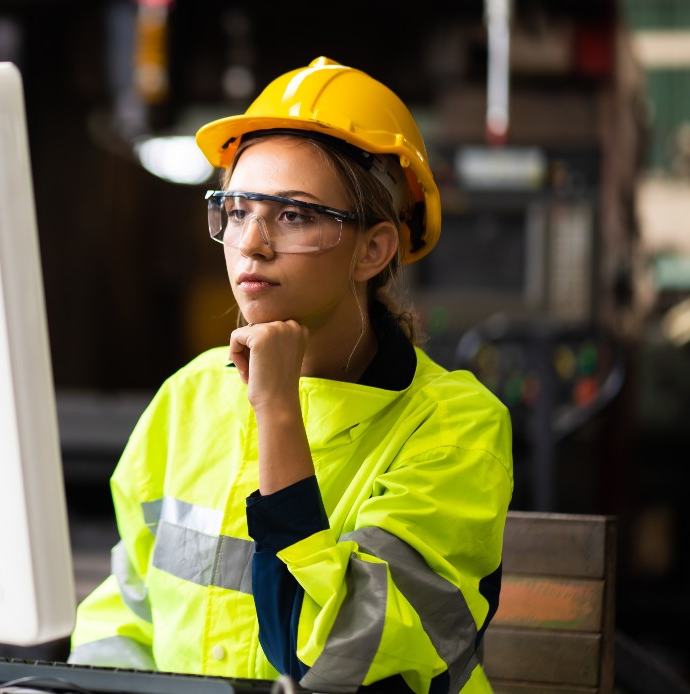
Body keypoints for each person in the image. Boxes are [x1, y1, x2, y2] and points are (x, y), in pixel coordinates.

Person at [69, 56, 513, 693]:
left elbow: (328, 662)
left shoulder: (453, 429)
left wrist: (277, 411)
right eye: (238, 210)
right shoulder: (190, 396)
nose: (252, 242)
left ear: (373, 249)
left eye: (294, 215)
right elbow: (124, 617)